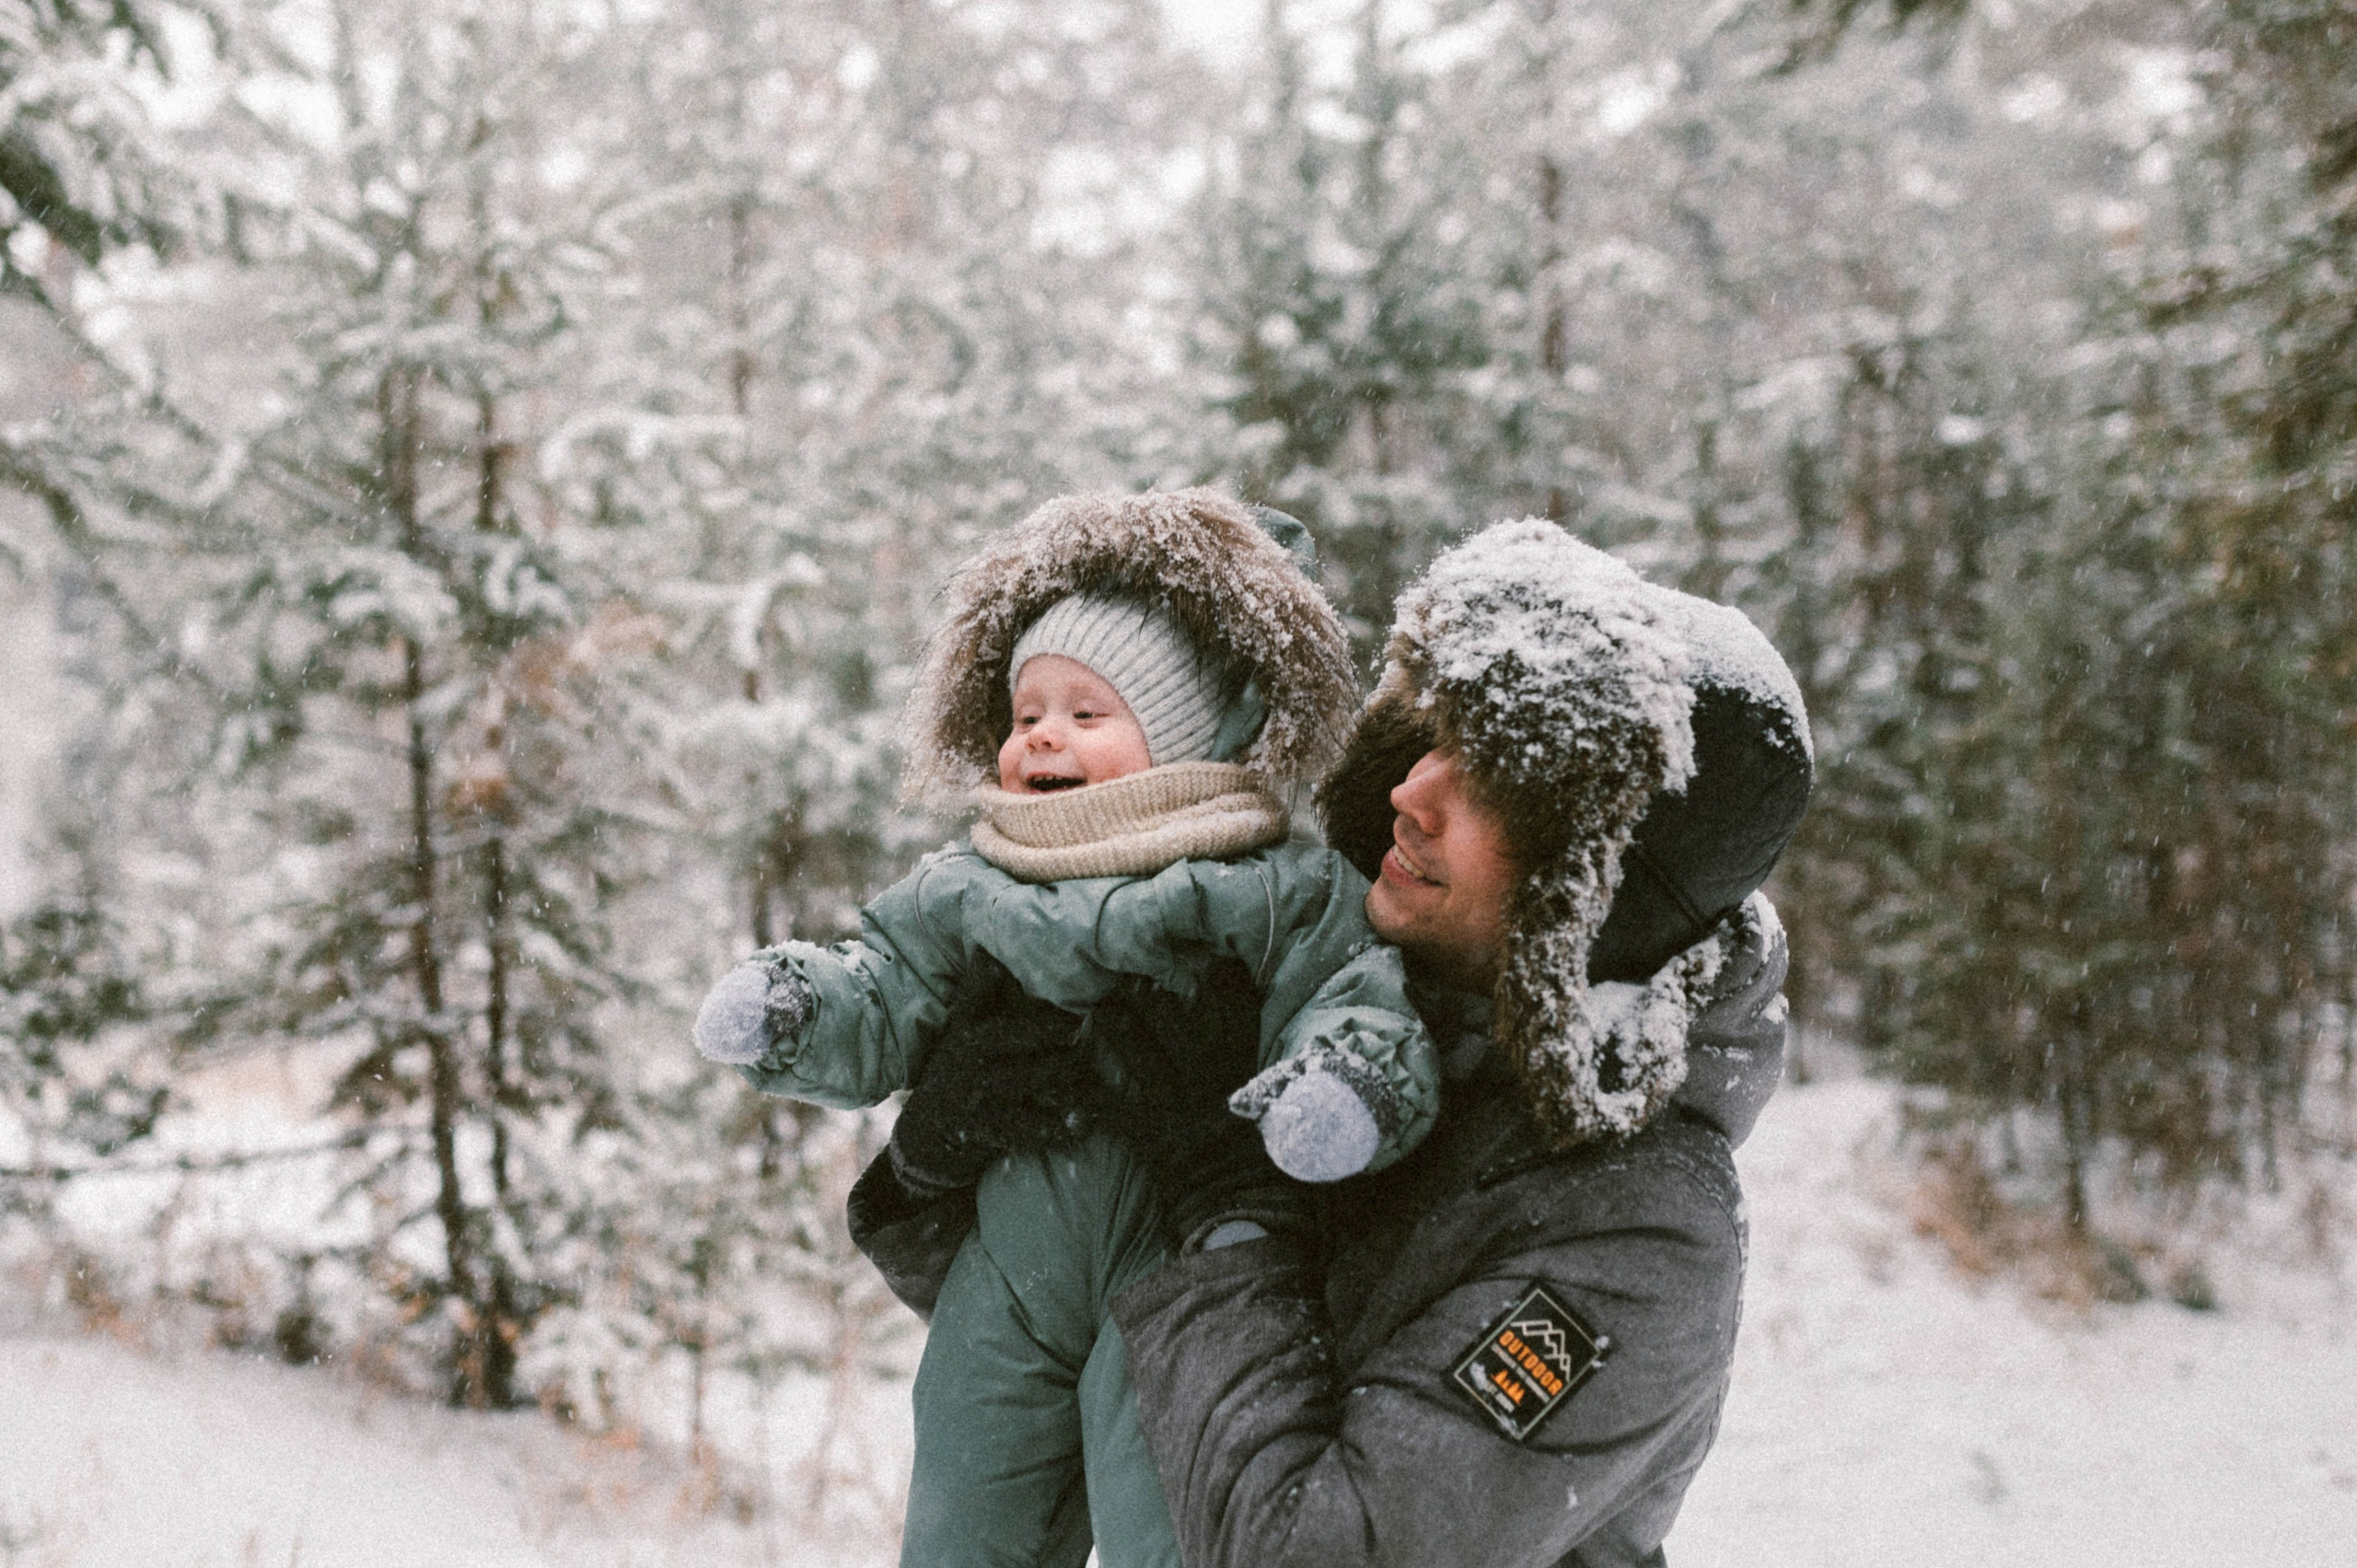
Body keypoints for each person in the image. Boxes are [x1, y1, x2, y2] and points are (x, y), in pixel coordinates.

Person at [869, 517, 1813, 1567]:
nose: (1413, 790)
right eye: (1433, 736)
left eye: (1494, 778)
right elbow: (1094, 1330)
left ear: (1597, 885)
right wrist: (935, 1163)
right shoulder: (1337, 1007)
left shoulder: (1637, 1229)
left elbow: (1318, 1547)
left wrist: (1231, 1206)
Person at [690, 489, 1443, 1568]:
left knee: (1168, 1513)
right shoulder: (969, 882)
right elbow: (886, 981)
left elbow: (1351, 997)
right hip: (1009, 1269)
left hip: (1182, 1267)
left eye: (1088, 714)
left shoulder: (1270, 886)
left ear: (1192, 735)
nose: (1041, 732)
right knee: (963, 1504)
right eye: (1024, 711)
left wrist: (1337, 1084)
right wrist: (801, 1007)